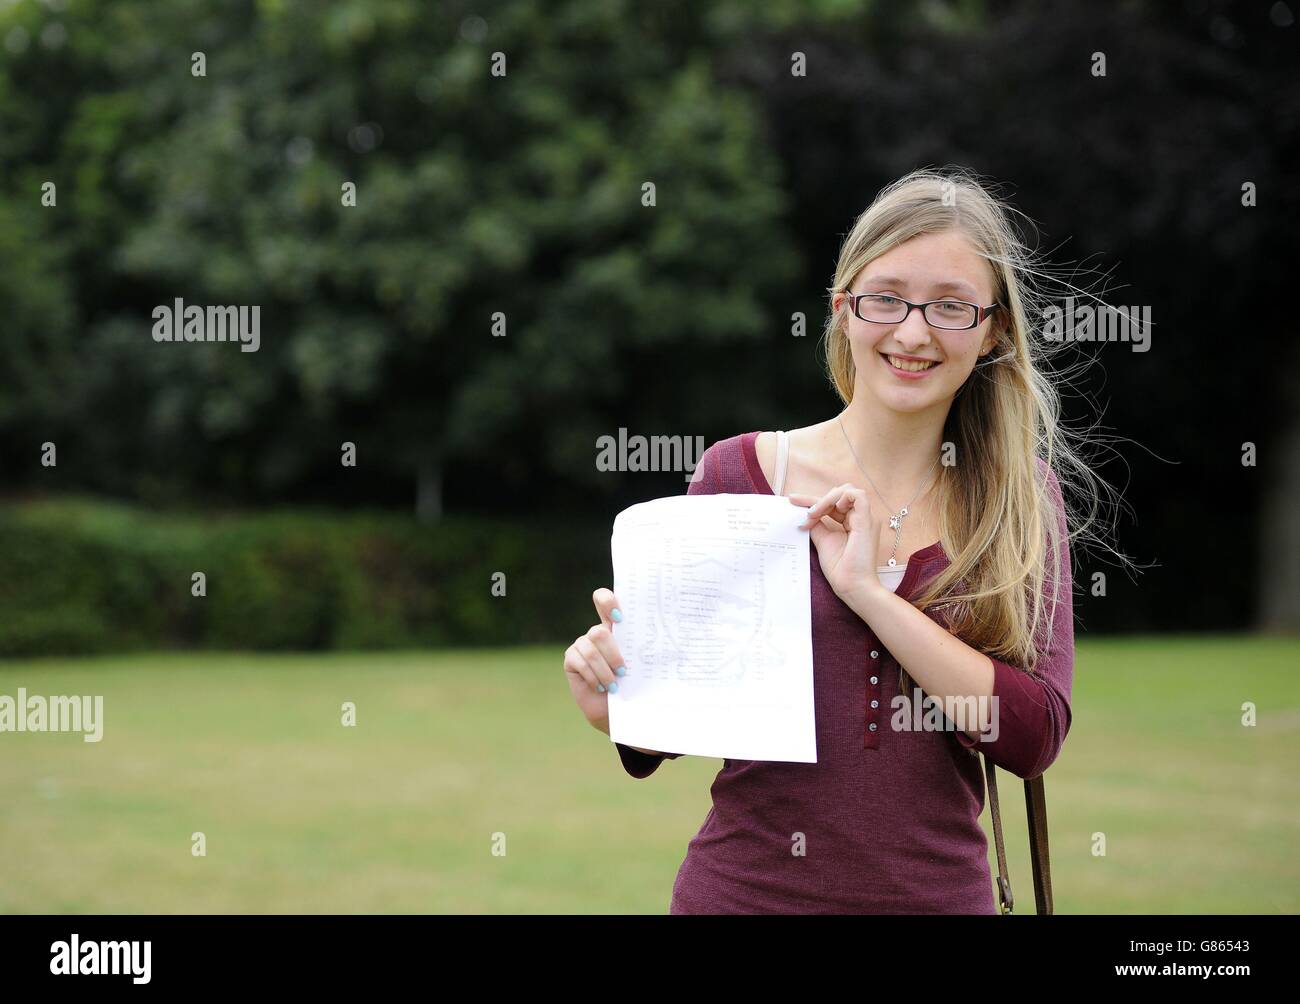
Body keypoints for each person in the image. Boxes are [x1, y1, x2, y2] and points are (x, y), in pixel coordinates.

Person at [563, 166, 1108, 914]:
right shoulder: (739, 473)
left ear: (993, 331)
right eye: (885, 298)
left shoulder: (1019, 500)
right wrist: (617, 706)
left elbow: (1032, 735)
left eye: (951, 307)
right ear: (843, 309)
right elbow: (677, 715)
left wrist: (868, 596)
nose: (913, 332)